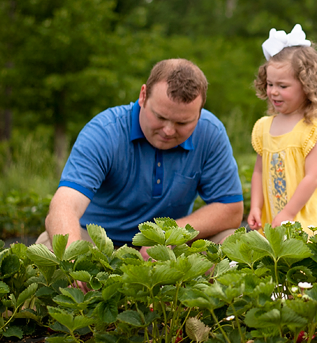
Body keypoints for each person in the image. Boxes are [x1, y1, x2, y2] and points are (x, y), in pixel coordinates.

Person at [42, 59, 244, 248]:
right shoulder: (104, 132)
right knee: (51, 247)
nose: (168, 130)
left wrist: (166, 236)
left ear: (199, 113)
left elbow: (231, 210)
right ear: (143, 96)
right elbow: (64, 206)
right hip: (96, 243)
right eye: (160, 116)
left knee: (234, 243)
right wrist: (73, 258)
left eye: (183, 123)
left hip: (167, 245)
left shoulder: (210, 132)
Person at [248, 25, 317, 231]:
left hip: (306, 216)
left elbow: (313, 176)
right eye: (270, 84)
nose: (274, 92)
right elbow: (258, 171)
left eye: (283, 86)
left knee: (308, 254)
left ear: (307, 86)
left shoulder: (313, 130)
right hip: (275, 214)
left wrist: (289, 213)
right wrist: (256, 205)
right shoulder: (264, 127)